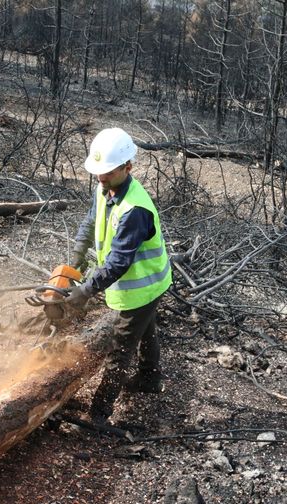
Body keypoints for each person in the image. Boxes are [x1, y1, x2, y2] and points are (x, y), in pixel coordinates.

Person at [66, 127, 172, 425]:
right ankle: (151, 377)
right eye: (98, 171)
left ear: (128, 167)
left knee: (120, 347)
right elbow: (90, 222)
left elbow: (118, 262)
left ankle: (99, 412)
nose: (100, 177)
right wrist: (76, 257)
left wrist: (85, 291)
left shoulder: (135, 209)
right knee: (146, 327)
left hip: (143, 285)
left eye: (107, 172)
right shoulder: (105, 188)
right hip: (144, 285)